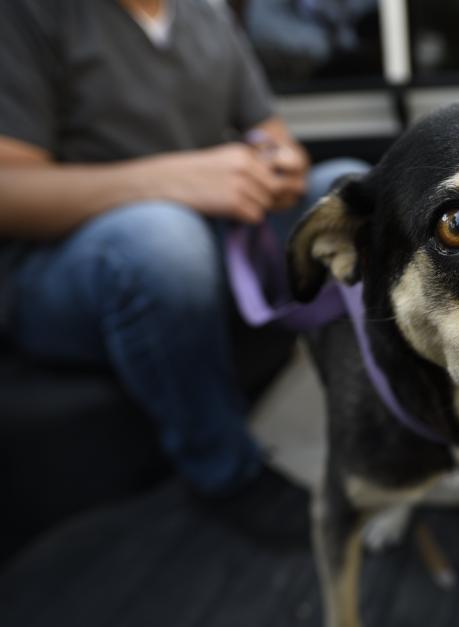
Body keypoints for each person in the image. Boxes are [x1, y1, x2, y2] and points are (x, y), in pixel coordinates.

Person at [0, 0, 367, 548]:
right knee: (163, 239)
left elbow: (273, 135)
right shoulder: (29, 14)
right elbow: (11, 189)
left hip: (207, 233)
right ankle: (226, 471)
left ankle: (389, 413)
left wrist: (280, 166)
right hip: (64, 269)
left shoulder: (206, 14)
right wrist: (176, 179)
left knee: (350, 190)